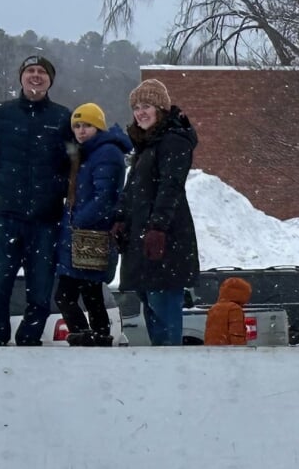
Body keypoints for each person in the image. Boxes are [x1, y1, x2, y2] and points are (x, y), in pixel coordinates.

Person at [0, 56, 72, 345]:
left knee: (40, 292)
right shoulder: (1, 114)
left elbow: (74, 164)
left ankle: (29, 342)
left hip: (46, 221)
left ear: (50, 80)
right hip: (6, 217)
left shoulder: (62, 118)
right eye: (30, 71)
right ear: (21, 77)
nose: (36, 76)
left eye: (42, 72)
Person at [118, 80, 199, 347]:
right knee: (151, 308)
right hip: (142, 241)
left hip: (166, 241)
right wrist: (122, 221)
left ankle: (169, 368)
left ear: (161, 109)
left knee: (164, 309)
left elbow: (170, 187)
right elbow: (134, 193)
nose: (140, 112)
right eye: (136, 107)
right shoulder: (146, 146)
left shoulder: (173, 141)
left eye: (147, 106)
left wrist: (158, 228)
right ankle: (159, 366)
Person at [56, 103, 127, 347]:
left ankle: (87, 337)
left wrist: (78, 221)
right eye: (77, 126)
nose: (81, 130)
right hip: (82, 235)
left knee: (66, 295)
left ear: (98, 126)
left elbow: (105, 197)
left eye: (87, 125)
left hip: (90, 235)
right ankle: (97, 338)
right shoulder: (87, 152)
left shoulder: (106, 153)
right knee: (91, 294)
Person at [201, 276, 250, 345]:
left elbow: (209, 333)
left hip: (212, 349)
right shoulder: (234, 309)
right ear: (242, 294)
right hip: (228, 351)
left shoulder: (214, 308)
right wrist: (241, 351)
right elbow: (237, 334)